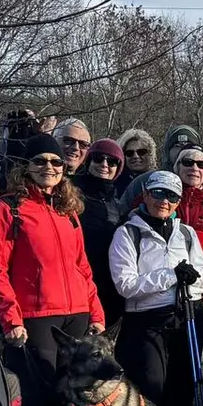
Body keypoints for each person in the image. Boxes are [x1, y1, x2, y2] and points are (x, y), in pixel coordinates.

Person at [0, 132, 106, 406]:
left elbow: (83, 268)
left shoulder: (67, 212)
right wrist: (10, 319)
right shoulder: (8, 208)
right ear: (25, 167)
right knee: (35, 403)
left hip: (77, 316)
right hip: (36, 318)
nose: (49, 168)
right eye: (40, 161)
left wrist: (95, 311)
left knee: (64, 400)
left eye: (55, 162)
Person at [110, 170, 203, 406]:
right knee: (152, 384)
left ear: (179, 202)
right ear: (145, 195)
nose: (164, 201)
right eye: (158, 193)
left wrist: (193, 277)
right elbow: (125, 285)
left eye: (171, 196)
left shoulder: (187, 234)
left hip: (187, 314)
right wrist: (169, 275)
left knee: (185, 382)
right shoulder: (128, 234)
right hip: (147, 320)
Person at [73, 138, 130, 334]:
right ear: (88, 161)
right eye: (98, 159)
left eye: (112, 161)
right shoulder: (72, 194)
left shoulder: (116, 202)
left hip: (110, 286)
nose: (104, 165)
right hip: (80, 284)